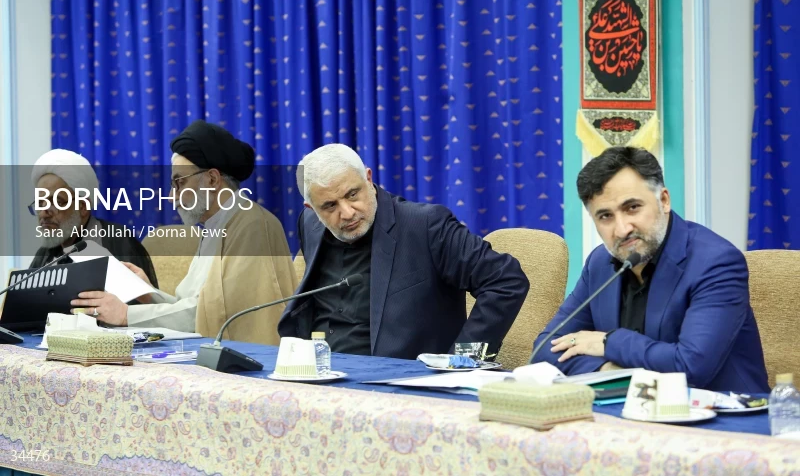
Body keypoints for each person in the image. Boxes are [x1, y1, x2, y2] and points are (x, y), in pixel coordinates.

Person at [532, 146, 769, 392]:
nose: (622, 229)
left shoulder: (716, 262)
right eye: (605, 216)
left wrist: (608, 342)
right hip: (629, 407)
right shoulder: (600, 264)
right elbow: (545, 348)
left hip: (721, 411)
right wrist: (608, 372)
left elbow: (691, 367)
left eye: (632, 207)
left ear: (663, 200)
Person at [278, 143, 529, 359]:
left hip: (395, 381)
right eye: (330, 206)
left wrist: (465, 360)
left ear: (368, 178)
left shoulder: (426, 226)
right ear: (312, 208)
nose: (347, 213)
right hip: (320, 371)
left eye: (352, 194)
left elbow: (506, 281)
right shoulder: (310, 225)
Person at [70, 121, 297, 345]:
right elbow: (197, 309)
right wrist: (148, 293)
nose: (171, 196)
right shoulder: (216, 226)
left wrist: (125, 314)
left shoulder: (252, 225)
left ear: (212, 179)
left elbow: (217, 316)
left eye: (179, 183)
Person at [29, 149, 158, 286]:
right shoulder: (45, 254)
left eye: (56, 202)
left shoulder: (118, 242)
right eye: (40, 203)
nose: (43, 213)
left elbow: (140, 298)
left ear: (83, 207)